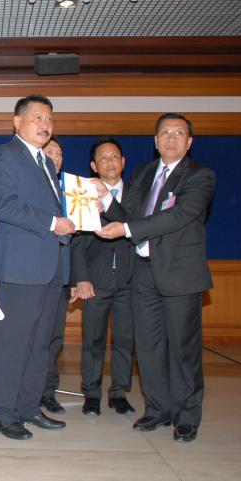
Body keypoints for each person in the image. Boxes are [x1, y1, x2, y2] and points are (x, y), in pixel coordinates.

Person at [97, 113, 214, 443]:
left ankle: (186, 416)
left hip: (180, 275)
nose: (171, 138)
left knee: (183, 350)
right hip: (143, 272)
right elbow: (129, 216)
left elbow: (177, 216)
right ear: (155, 140)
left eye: (179, 133)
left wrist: (126, 228)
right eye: (165, 132)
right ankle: (158, 409)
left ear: (189, 142)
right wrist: (105, 198)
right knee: (147, 347)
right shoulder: (144, 172)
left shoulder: (200, 175)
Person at [0, 95, 75, 440]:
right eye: (37, 117)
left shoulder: (46, 163)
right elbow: (3, 205)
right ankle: (3, 412)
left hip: (50, 268)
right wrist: (53, 223)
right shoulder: (6, 155)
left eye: (49, 118)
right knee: (13, 344)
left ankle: (28, 407)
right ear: (17, 122)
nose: (45, 124)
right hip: (19, 270)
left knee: (40, 345)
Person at [73, 138, 135, 416]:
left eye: (114, 157)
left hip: (130, 280)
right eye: (103, 158)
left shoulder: (138, 193)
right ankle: (92, 393)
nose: (110, 162)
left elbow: (138, 226)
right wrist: (81, 277)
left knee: (125, 339)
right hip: (95, 281)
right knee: (93, 340)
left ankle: (119, 392)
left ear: (123, 162)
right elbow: (76, 242)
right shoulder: (83, 195)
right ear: (93, 166)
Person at [39, 137, 73, 415]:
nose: (55, 157)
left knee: (54, 338)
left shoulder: (73, 192)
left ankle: (47, 391)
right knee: (33, 338)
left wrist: (75, 278)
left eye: (59, 153)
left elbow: (81, 242)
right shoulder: (33, 189)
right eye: (49, 151)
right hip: (35, 276)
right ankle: (30, 389)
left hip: (61, 276)